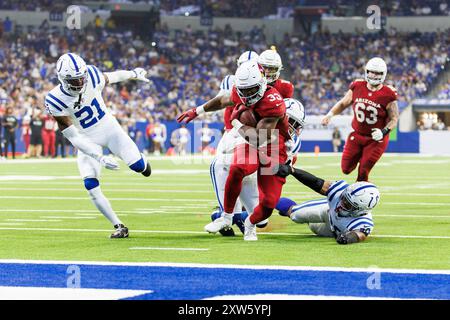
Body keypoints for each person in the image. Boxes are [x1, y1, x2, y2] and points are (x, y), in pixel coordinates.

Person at [44, 53, 151, 238]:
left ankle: (142, 161)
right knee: (90, 184)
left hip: (110, 130)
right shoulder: (55, 100)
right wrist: (99, 157)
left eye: (81, 78)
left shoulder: (92, 75)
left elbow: (113, 76)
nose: (80, 83)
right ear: (62, 78)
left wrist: (133, 73)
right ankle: (119, 225)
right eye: (74, 80)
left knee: (140, 168)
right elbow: (74, 137)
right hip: (86, 139)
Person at [180, 61, 290, 241]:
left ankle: (250, 223)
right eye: (243, 90)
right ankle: (226, 216)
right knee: (236, 167)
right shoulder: (242, 90)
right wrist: (197, 111)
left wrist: (237, 123)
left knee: (269, 202)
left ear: (262, 83)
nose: (246, 95)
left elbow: (260, 138)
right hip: (250, 142)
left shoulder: (273, 102)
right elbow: (222, 100)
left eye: (250, 90)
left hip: (272, 146)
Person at [321, 57, 399, 181]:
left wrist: (383, 132)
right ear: (367, 71)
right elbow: (343, 103)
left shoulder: (388, 94)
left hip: (376, 139)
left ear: (383, 74)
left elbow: (394, 119)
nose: (374, 75)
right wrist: (330, 114)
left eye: (378, 73)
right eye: (372, 72)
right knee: (345, 169)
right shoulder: (357, 86)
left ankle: (363, 197)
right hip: (357, 135)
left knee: (363, 171)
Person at [275, 163, 379, 245]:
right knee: (295, 214)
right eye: (343, 198)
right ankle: (271, 202)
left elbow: (360, 235)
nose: (342, 203)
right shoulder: (340, 190)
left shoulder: (363, 221)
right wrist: (293, 170)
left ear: (360, 210)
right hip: (327, 209)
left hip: (331, 231)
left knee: (313, 226)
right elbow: (316, 183)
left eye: (348, 204)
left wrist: (348, 238)